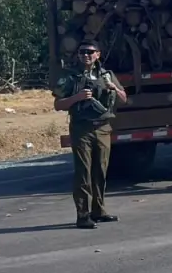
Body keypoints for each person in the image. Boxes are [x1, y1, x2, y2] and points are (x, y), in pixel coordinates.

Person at [52, 39, 127, 229]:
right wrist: (76, 98)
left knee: (100, 170)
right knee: (83, 172)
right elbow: (58, 104)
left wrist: (114, 88)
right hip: (82, 128)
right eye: (82, 52)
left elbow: (124, 99)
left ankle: (99, 210)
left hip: (102, 127)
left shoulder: (106, 75)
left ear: (98, 55)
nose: (85, 55)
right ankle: (83, 215)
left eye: (89, 52)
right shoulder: (71, 77)